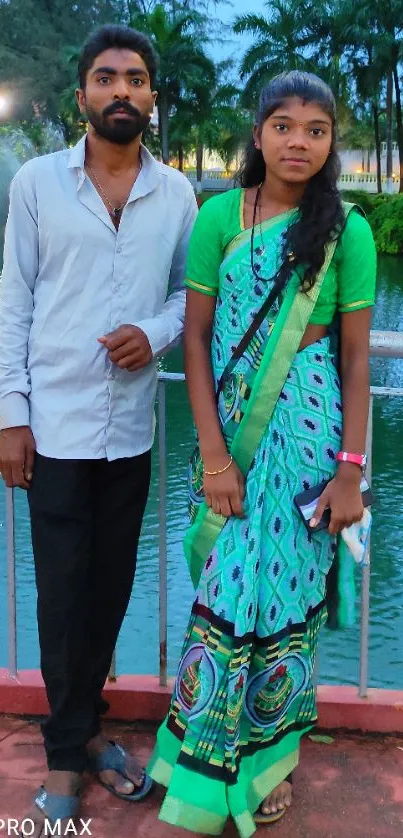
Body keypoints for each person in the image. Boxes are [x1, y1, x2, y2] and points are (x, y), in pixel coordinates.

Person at [148, 71, 376, 836]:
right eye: (283, 125)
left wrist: (349, 471)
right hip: (233, 439)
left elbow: (352, 361)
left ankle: (272, 763)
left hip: (310, 445)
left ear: (329, 142)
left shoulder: (350, 231)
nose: (298, 141)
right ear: (258, 133)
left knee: (284, 610)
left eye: (315, 129)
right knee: (224, 599)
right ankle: (204, 764)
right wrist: (213, 457)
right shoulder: (218, 218)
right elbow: (198, 339)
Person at [0, 23, 197, 836]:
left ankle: (86, 732)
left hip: (132, 435)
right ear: (81, 93)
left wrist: (152, 335)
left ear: (152, 97)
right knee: (60, 598)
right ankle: (65, 753)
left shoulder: (179, 193)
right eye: (107, 77)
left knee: (109, 592)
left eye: (138, 79)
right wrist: (10, 416)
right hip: (55, 428)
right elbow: (12, 301)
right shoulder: (37, 184)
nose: (123, 91)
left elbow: (192, 297)